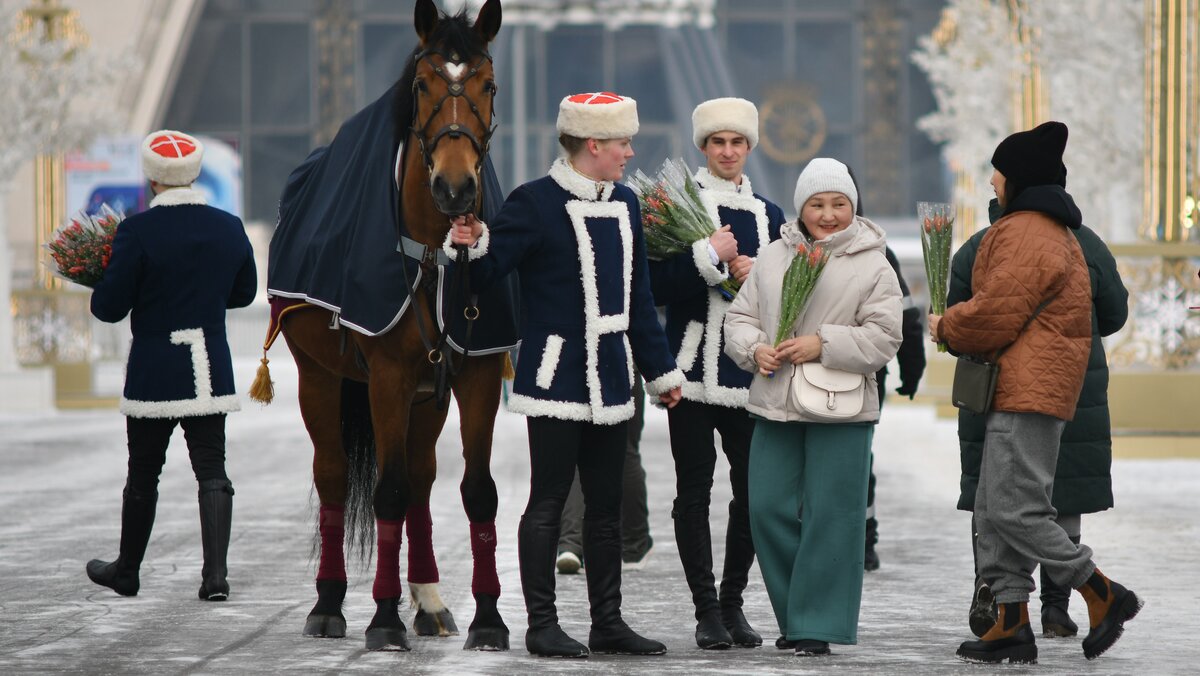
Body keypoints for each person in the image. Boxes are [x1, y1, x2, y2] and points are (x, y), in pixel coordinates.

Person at [449, 91, 684, 658]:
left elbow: (638, 298)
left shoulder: (626, 204)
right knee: (549, 501)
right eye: (622, 143)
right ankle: (542, 625)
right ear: (594, 145)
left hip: (612, 378)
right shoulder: (534, 202)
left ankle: (608, 623)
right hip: (554, 378)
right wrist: (472, 245)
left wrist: (661, 371)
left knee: (605, 509)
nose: (631, 152)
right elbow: (487, 271)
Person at [929, 121, 1141, 663]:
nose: (992, 184)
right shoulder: (1049, 230)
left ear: (1018, 178)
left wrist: (947, 325)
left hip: (1028, 388)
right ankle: (1010, 622)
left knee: (1013, 508)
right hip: (1025, 386)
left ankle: (1101, 591)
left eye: (997, 175)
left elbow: (996, 313)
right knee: (992, 505)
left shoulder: (1027, 230)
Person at [724, 157, 902, 656]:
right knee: (766, 509)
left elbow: (885, 336)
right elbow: (739, 318)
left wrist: (822, 343)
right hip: (774, 402)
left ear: (853, 205)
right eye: (817, 204)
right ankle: (796, 611)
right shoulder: (774, 256)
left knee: (833, 516)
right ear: (801, 207)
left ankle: (814, 624)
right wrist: (752, 347)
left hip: (840, 408)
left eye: (839, 204)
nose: (828, 215)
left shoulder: (873, 262)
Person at [86, 130, 258, 601]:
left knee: (143, 473)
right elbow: (243, 294)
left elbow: (109, 309)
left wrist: (102, 280)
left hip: (154, 372)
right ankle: (216, 577)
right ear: (196, 174)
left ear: (152, 179)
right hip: (209, 367)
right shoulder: (229, 226)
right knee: (212, 469)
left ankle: (127, 570)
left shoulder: (136, 232)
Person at [647, 97, 785, 649]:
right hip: (691, 374)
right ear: (703, 147)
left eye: (738, 142)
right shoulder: (677, 205)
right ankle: (706, 610)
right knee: (693, 494)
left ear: (750, 147)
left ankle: (734, 604)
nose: (728, 152)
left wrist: (759, 278)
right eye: (717, 142)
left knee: (753, 494)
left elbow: (787, 300)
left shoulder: (772, 214)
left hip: (749, 374)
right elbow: (653, 289)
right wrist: (709, 257)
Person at [843, 165, 926, 572]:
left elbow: (905, 318)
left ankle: (853, 535)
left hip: (855, 377)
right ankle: (863, 538)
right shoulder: (882, 250)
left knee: (845, 458)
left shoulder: (875, 251)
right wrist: (912, 370)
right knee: (860, 459)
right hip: (867, 376)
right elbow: (909, 319)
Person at [556, 373, 651, 575]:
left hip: (572, 362)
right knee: (626, 450)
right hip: (618, 359)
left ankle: (571, 543)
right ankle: (633, 546)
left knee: (574, 452)